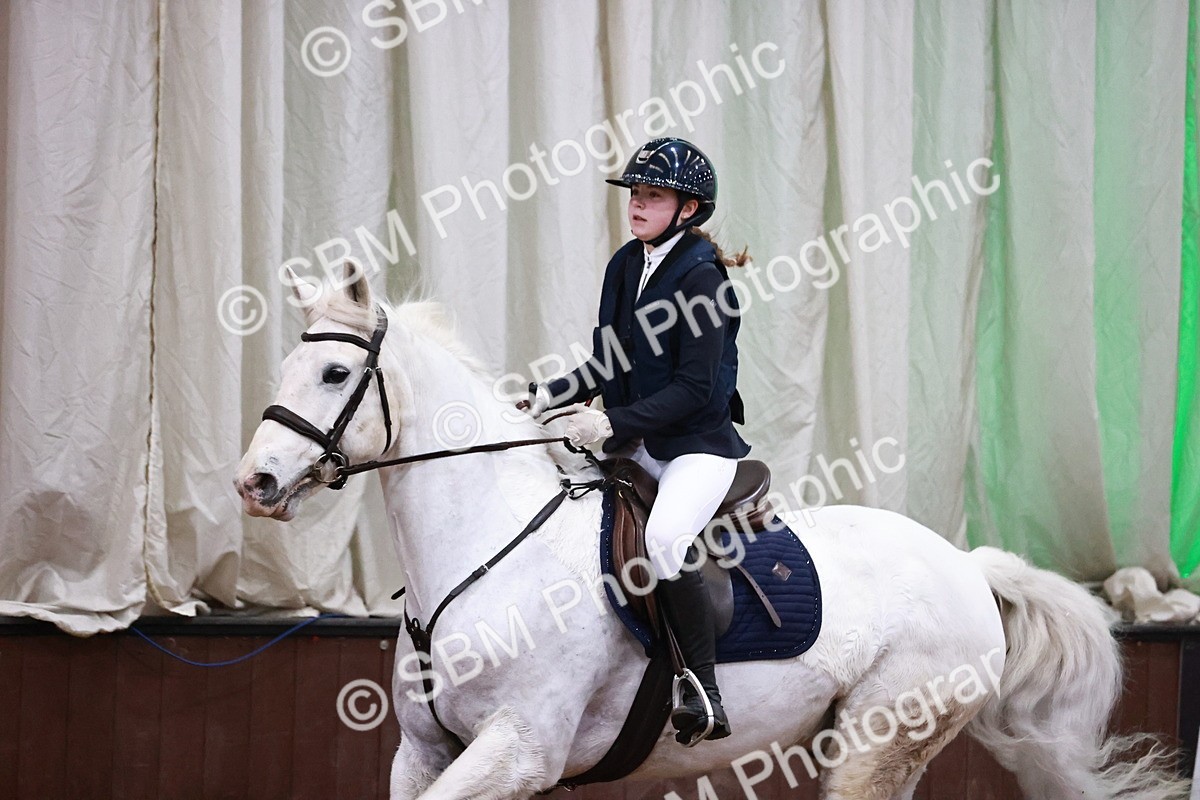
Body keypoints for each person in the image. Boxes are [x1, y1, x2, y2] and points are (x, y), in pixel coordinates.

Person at [527, 137, 751, 746]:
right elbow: (608, 360)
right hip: (635, 438)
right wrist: (548, 393)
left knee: (666, 539)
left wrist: (613, 425)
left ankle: (703, 688)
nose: (637, 204)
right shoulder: (626, 264)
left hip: (695, 445)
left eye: (653, 195)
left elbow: (696, 390)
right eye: (635, 194)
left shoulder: (706, 281)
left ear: (688, 209)